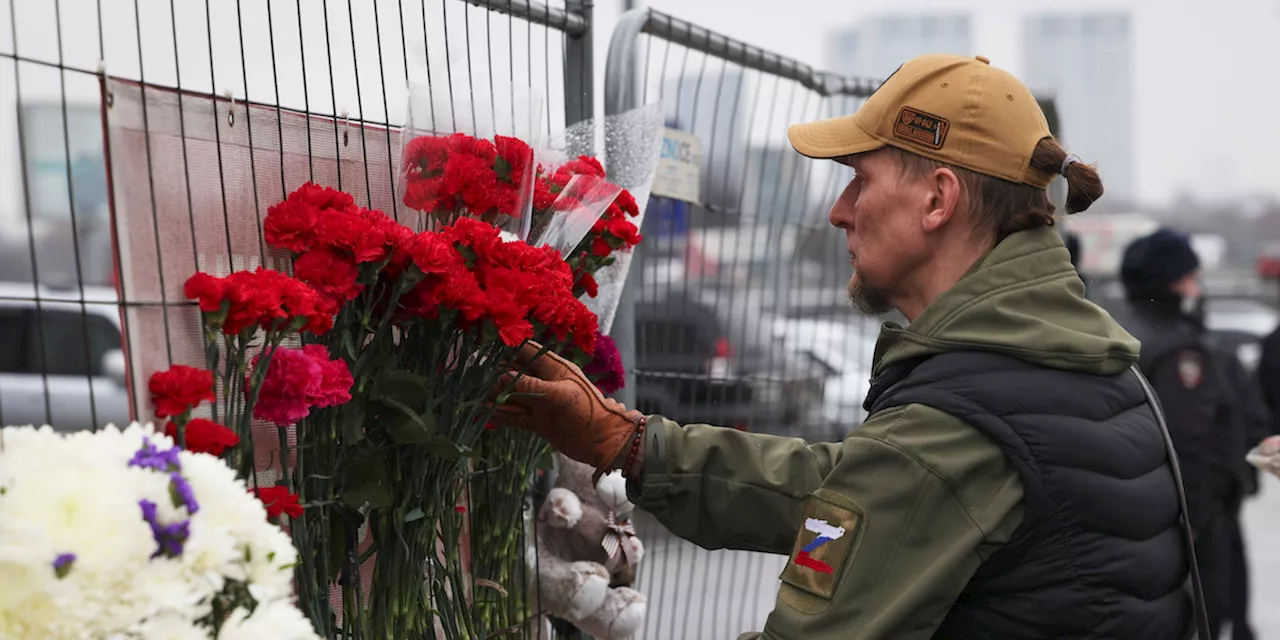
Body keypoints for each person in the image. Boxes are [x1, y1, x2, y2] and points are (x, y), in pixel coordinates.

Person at [494, 53, 1196, 639]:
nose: (838, 211)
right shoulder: (1090, 373)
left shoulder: (952, 429)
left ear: (937, 200)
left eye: (861, 179)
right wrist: (633, 444)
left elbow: (894, 483)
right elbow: (856, 489)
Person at [1111, 228, 1247, 638]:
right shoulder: (1179, 348)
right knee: (1205, 615)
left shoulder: (1119, 331)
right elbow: (1188, 442)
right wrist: (1198, 523)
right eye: (1191, 276)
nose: (1197, 286)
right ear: (1170, 282)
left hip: (1141, 517)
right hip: (1193, 522)